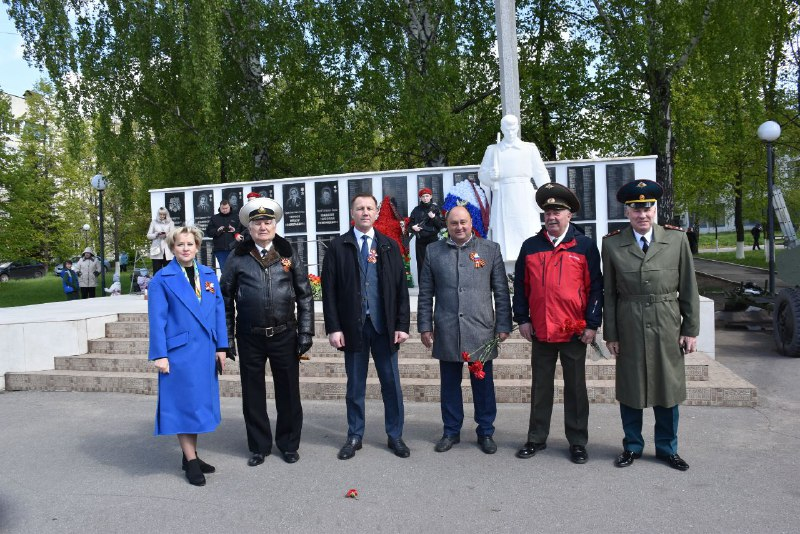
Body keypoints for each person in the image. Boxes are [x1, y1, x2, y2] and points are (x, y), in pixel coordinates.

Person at [602, 179, 700, 471]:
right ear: (627, 212)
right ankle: (632, 446)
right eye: (636, 210)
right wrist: (612, 334)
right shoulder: (612, 243)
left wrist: (690, 329)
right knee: (631, 388)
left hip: (666, 321)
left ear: (654, 210)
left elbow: (689, 287)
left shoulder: (677, 240)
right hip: (629, 322)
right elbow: (609, 292)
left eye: (647, 209)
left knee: (667, 388)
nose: (642, 215)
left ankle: (667, 448)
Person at [512, 183, 603, 464]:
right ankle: (536, 438)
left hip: (573, 330)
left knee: (576, 388)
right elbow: (521, 288)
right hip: (541, 330)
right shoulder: (530, 246)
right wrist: (523, 320)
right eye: (548, 211)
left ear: (570, 215)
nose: (552, 216)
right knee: (541, 386)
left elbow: (595, 288)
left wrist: (591, 324)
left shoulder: (585, 246)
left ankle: (577, 441)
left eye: (558, 211)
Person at [220, 197, 314, 467]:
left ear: (275, 225)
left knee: (288, 392)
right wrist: (227, 338)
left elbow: (304, 295)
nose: (263, 226)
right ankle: (259, 446)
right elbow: (225, 299)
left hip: (285, 333)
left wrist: (306, 332)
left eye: (268, 221)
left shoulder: (288, 252)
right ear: (249, 228)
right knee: (252, 393)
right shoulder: (238, 256)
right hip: (250, 335)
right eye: (257, 222)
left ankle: (288, 444)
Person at [321, 193, 411, 460]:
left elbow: (400, 289)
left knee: (391, 384)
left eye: (369, 208)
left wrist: (402, 324)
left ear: (375, 212)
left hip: (384, 327)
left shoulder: (389, 246)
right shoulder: (338, 246)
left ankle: (395, 435)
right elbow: (329, 291)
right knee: (355, 385)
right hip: (353, 327)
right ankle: (354, 435)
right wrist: (334, 327)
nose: (364, 212)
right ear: (352, 212)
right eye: (359, 208)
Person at [417, 206, 512, 454]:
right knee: (449, 385)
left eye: (464, 222)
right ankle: (451, 431)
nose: (459, 227)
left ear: (471, 223)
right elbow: (426, 293)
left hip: (480, 330)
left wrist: (503, 324)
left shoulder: (490, 250)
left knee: (483, 385)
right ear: (446, 226)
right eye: (454, 223)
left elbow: (500, 290)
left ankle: (486, 431)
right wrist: (425, 325)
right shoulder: (433, 251)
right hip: (447, 329)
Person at [147, 226, 228, 486]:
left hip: (205, 350)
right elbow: (156, 320)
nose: (185, 248)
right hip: (178, 353)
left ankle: (189, 455)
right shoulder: (162, 278)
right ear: (172, 248)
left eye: (190, 244)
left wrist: (222, 347)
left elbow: (218, 312)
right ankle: (191, 462)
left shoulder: (208, 275)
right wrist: (160, 354)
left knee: (197, 405)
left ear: (197, 246)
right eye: (180, 244)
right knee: (183, 405)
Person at [478, 114, 551, 265]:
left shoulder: (529, 149)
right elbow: (482, 175)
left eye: (513, 128)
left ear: (517, 127)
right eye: (507, 128)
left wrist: (548, 196)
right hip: (503, 194)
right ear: (502, 129)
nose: (510, 131)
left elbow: (540, 174)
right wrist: (491, 176)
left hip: (524, 194)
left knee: (527, 232)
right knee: (505, 242)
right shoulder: (493, 151)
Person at [409, 188, 445, 280]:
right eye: (423, 196)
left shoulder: (435, 209)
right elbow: (410, 223)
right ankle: (423, 288)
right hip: (420, 240)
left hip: (433, 240)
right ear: (420, 198)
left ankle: (436, 285)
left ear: (431, 196)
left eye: (427, 196)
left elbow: (442, 224)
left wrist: (433, 218)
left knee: (435, 263)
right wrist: (413, 227)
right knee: (421, 264)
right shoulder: (416, 210)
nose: (425, 198)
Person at [205, 199, 244, 270]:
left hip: (234, 248)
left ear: (230, 207)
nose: (225, 210)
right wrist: (217, 230)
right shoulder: (214, 218)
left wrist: (234, 231)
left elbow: (243, 231)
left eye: (226, 208)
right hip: (220, 249)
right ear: (220, 208)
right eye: (223, 208)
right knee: (224, 270)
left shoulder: (237, 217)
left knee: (236, 269)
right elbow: (208, 232)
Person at [147, 207, 175, 274]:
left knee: (168, 272)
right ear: (158, 214)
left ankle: (167, 284)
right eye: (160, 214)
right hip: (156, 250)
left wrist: (166, 235)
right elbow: (148, 235)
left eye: (164, 214)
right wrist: (156, 234)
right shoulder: (153, 222)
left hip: (167, 250)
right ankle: (157, 284)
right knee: (157, 272)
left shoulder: (171, 222)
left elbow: (173, 235)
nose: (162, 216)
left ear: (166, 214)